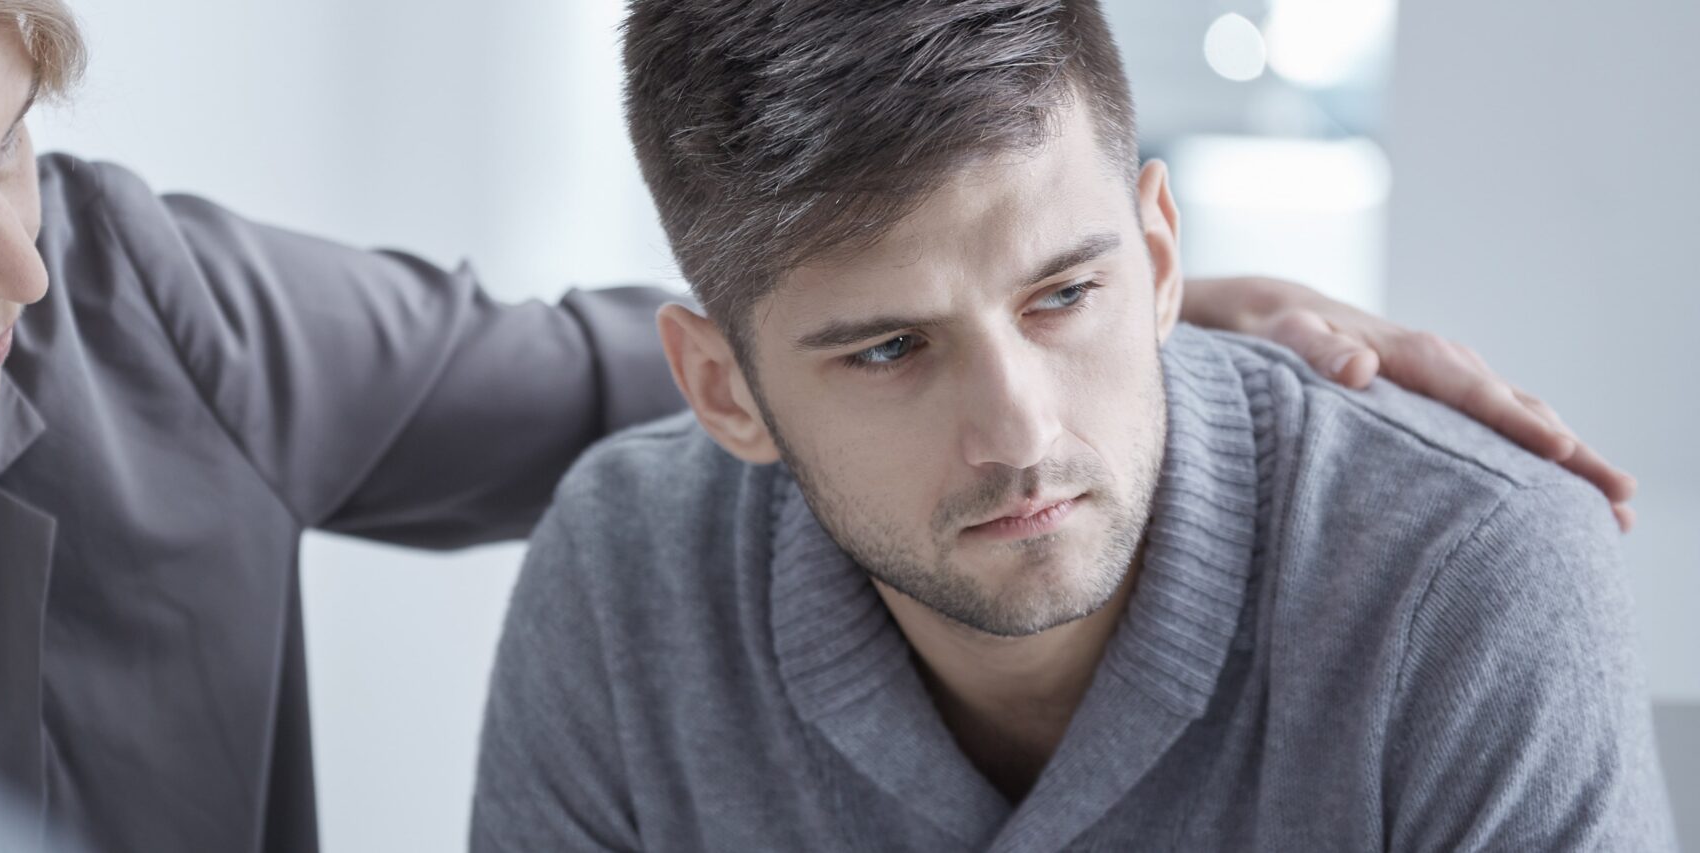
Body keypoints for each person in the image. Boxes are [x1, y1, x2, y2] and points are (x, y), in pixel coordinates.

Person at [0, 0, 1635, 850]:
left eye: (15, 156)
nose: (21, 263)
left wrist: (1138, 329)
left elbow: (650, 371)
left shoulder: (147, 311)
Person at [470, 0, 1673, 849]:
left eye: (1063, 295)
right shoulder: (623, 572)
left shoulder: (1468, 577)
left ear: (1159, 255)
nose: (1019, 433)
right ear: (723, 390)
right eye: (888, 349)